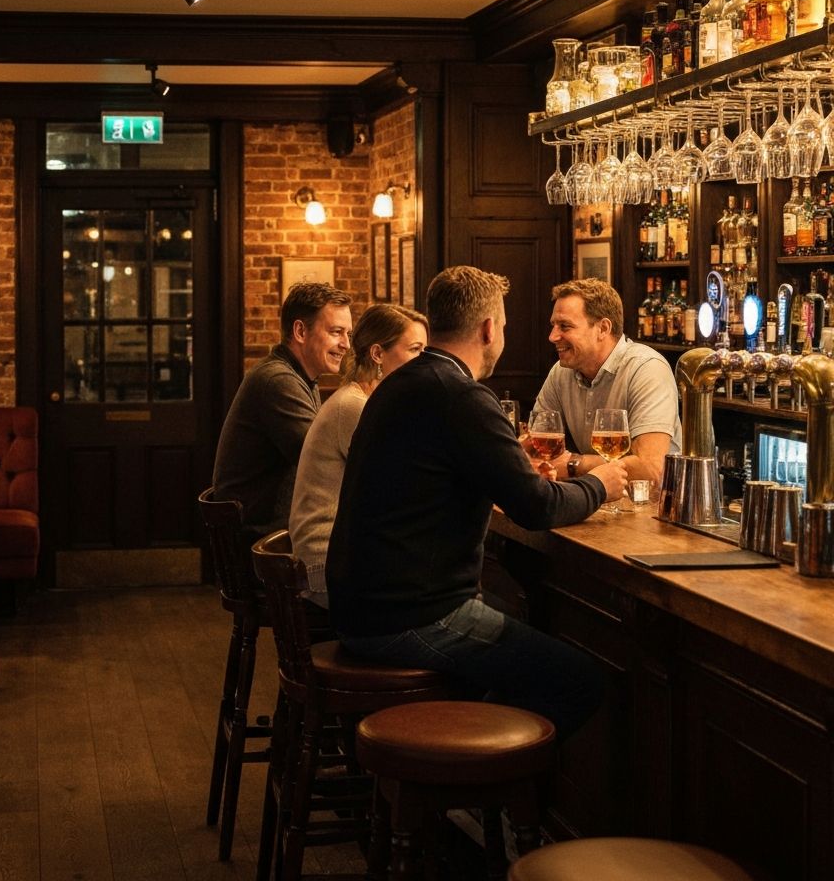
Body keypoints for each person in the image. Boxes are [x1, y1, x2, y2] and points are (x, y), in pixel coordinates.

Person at [326, 265, 626, 740]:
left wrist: (513, 470)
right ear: (488, 329)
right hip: (411, 617)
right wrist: (602, 484)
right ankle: (480, 784)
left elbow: (447, 480)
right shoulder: (460, 395)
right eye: (503, 326)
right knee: (579, 680)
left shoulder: (404, 384)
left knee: (510, 643)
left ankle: (451, 770)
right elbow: (537, 509)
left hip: (362, 608)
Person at [289, 303, 429, 607]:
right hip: (325, 565)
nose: (425, 361)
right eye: (416, 350)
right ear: (378, 354)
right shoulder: (354, 407)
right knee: (429, 597)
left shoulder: (369, 402)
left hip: (343, 555)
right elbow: (400, 485)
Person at [212, 281, 353, 542]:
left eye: (348, 334)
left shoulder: (300, 377)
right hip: (264, 542)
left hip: (275, 529)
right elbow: (321, 461)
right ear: (300, 330)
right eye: (336, 332)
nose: (345, 344)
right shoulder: (277, 380)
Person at [530, 277, 681, 487]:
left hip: (651, 508)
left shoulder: (647, 368)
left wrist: (575, 464)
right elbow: (534, 446)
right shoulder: (561, 372)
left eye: (564, 326)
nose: (553, 336)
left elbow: (651, 468)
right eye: (554, 326)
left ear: (603, 328)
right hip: (600, 503)